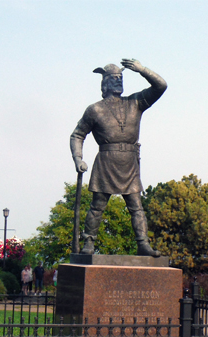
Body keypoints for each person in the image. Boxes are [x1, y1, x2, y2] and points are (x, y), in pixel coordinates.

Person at [70, 58, 167, 256]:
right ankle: (89, 241)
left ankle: (143, 244)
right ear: (104, 82)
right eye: (114, 78)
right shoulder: (95, 109)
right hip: (106, 160)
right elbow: (77, 135)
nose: (118, 81)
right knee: (97, 205)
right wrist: (78, 158)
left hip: (129, 161)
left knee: (136, 207)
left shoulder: (135, 102)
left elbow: (161, 86)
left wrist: (142, 70)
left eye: (121, 77)